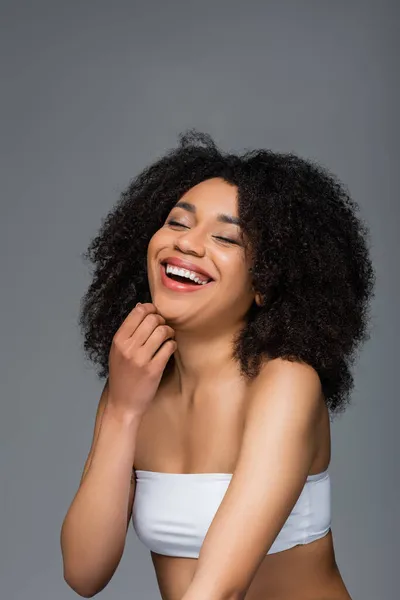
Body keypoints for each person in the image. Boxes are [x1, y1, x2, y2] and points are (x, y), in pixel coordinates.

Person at [60, 130, 375, 600]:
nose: (187, 245)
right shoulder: (136, 385)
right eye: (178, 223)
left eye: (226, 237)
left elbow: (218, 589)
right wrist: (122, 410)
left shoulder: (286, 381)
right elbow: (84, 572)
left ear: (265, 282)